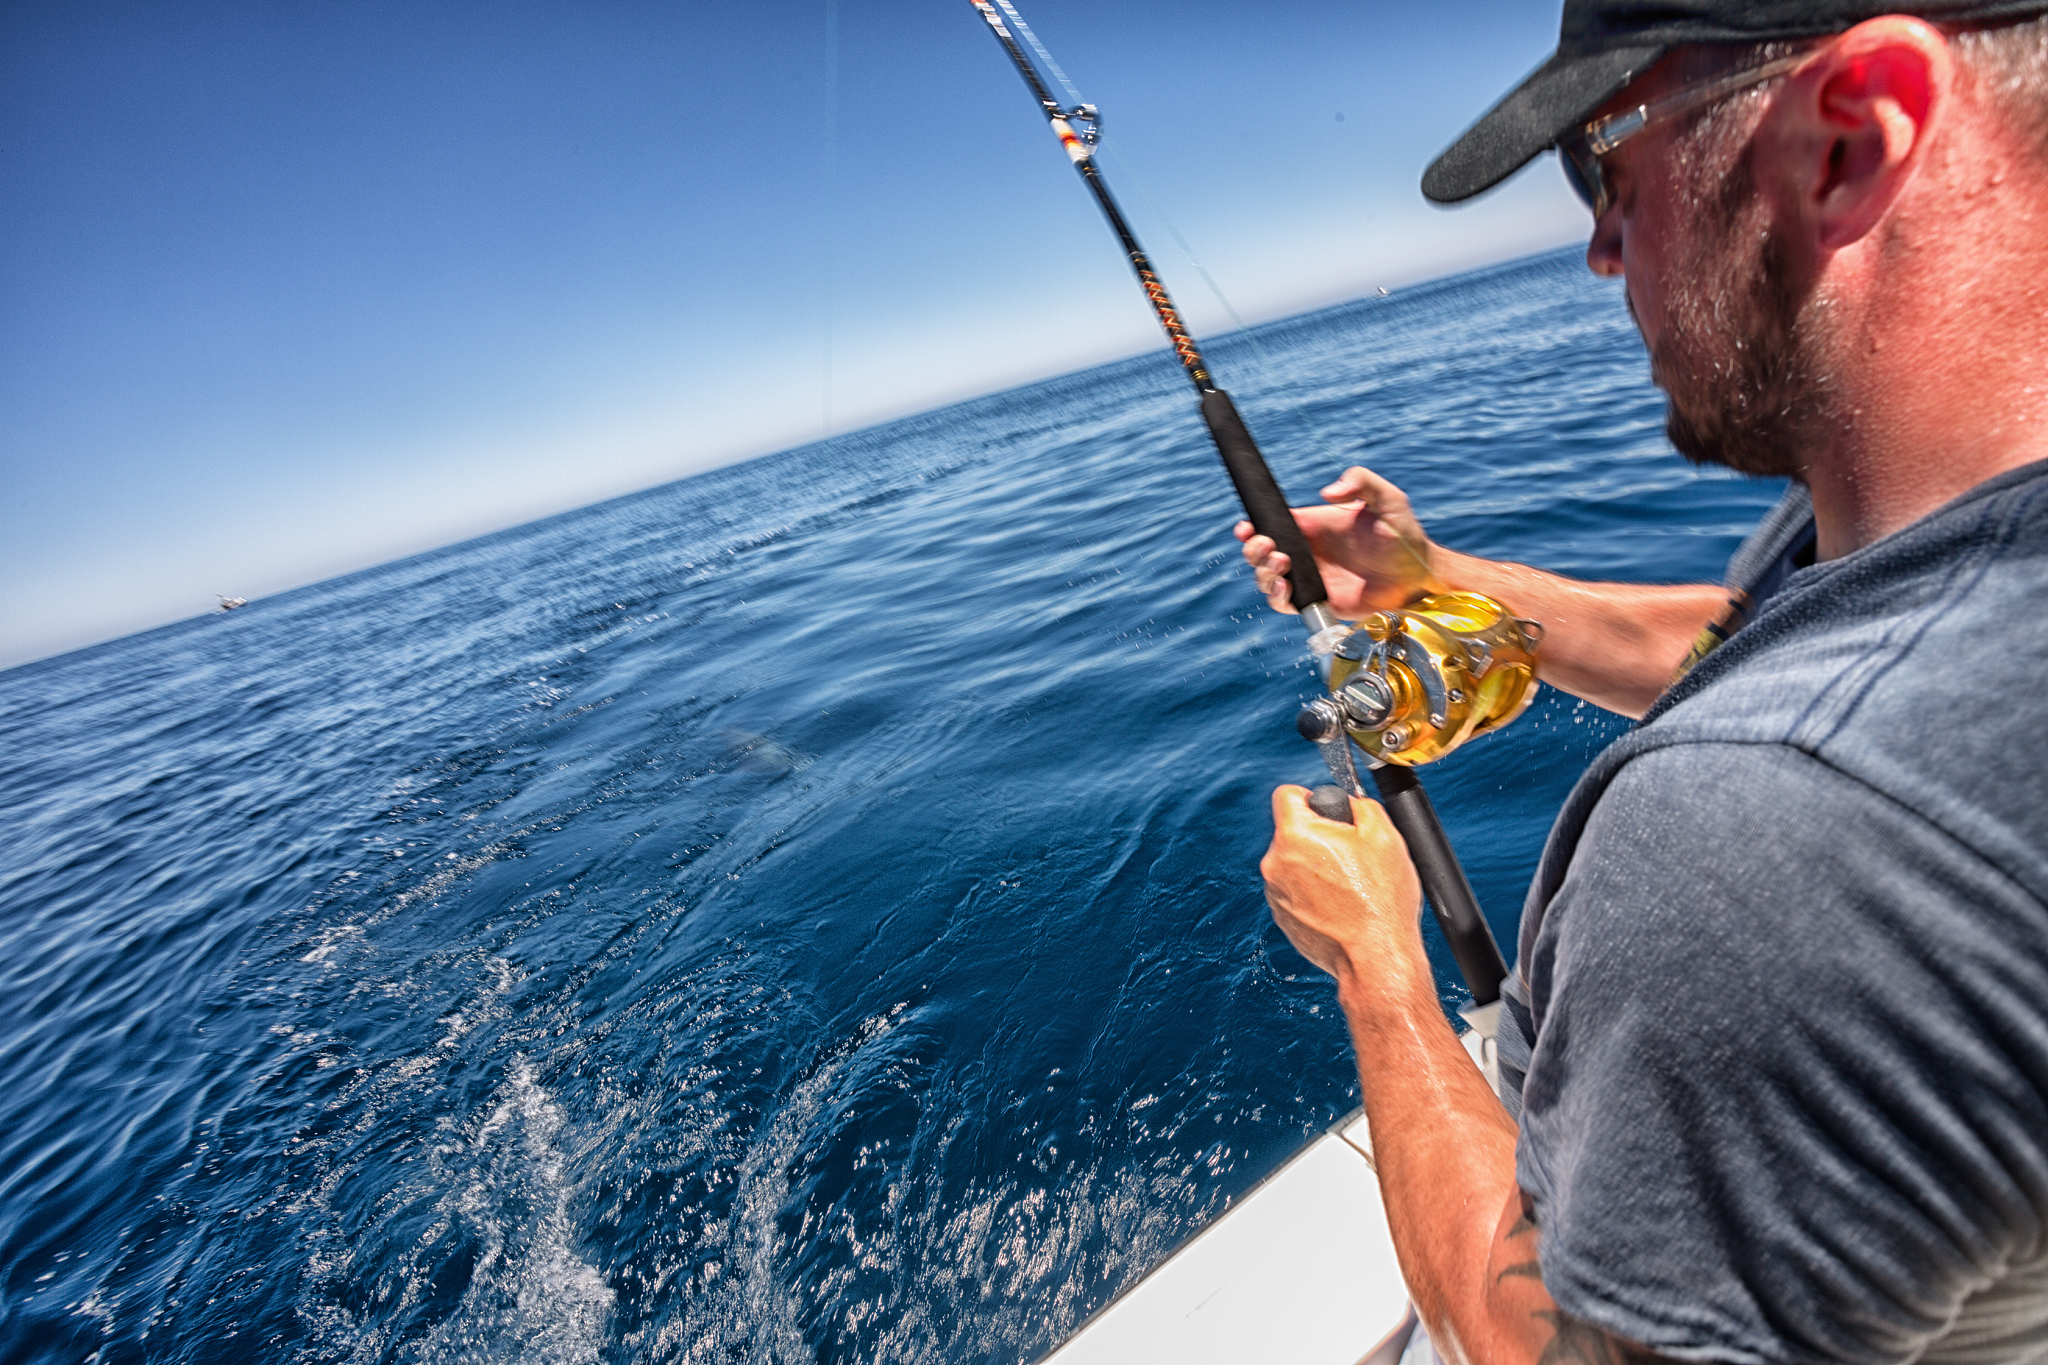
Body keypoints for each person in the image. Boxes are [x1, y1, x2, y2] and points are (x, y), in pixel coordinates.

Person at [1240, 1, 2048, 1361]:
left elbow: (1534, 1344)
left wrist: (1377, 960)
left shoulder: (1786, 853)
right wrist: (1435, 570)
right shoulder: (1939, 534)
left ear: (1852, 135)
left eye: (1606, 165)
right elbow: (1752, 639)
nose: (1600, 246)